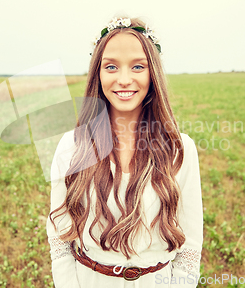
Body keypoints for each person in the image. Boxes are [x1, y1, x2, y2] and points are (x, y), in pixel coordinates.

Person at [46, 17, 203, 288]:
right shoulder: (71, 146)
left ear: (152, 73)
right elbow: (60, 239)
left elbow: (190, 243)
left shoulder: (180, 148)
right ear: (98, 74)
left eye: (138, 66)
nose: (124, 79)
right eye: (111, 67)